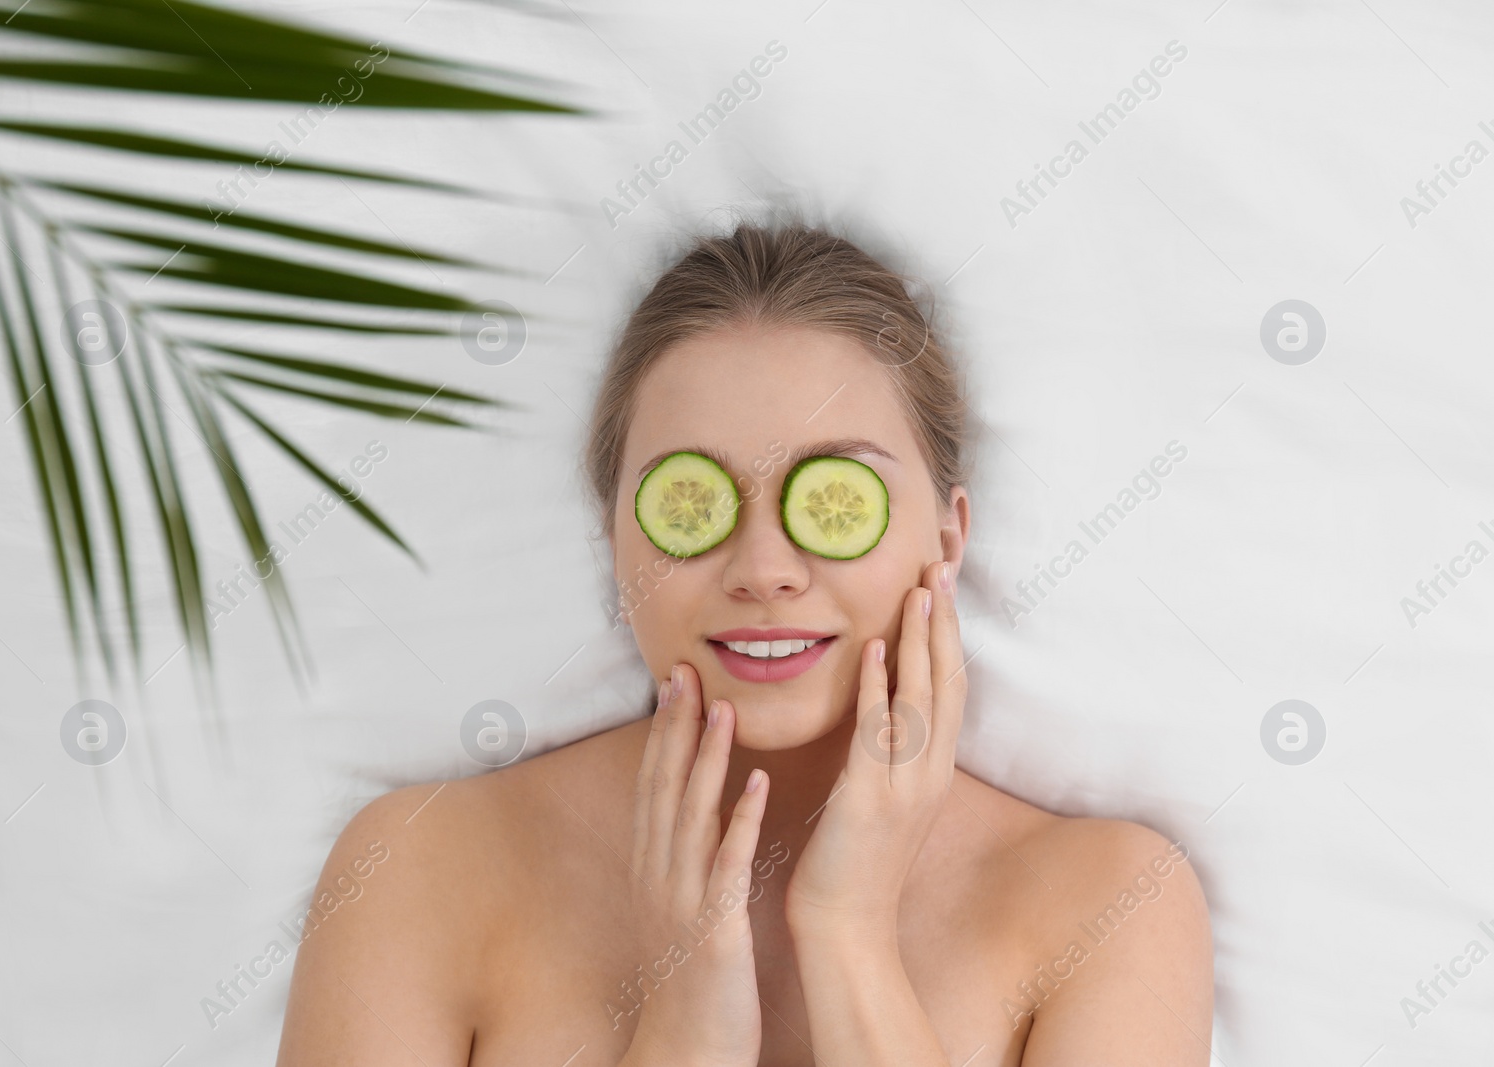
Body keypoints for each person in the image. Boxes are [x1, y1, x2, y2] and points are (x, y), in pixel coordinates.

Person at [276, 218, 1214, 1065]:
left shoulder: (1115, 907)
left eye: (836, 500)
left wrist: (849, 937)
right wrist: (683, 1030)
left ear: (948, 537)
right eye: (691, 502)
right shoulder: (416, 868)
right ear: (616, 541)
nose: (763, 565)